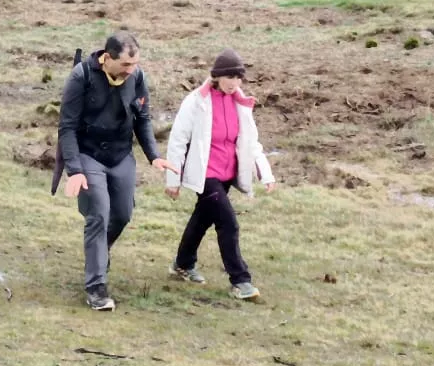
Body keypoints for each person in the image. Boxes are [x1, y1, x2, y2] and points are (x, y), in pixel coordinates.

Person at [59, 32, 175, 312]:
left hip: (121, 154)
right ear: (107, 58)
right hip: (88, 154)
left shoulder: (138, 78)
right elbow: (67, 127)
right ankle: (96, 287)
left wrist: (153, 156)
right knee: (98, 212)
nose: (130, 71)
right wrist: (75, 170)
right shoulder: (81, 76)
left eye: (134, 65)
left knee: (122, 214)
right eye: (125, 65)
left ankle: (98, 254)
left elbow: (143, 119)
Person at [162, 49, 276, 301]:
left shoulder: (240, 103)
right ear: (217, 76)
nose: (235, 83)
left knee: (202, 219)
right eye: (230, 78)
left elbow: (250, 142)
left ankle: (182, 264)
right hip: (205, 175)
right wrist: (173, 178)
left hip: (227, 175)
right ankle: (240, 280)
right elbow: (178, 140)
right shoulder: (196, 101)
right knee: (228, 223)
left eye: (239, 78)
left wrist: (265, 174)